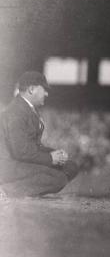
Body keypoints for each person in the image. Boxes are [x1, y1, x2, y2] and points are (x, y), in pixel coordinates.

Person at [0, 71, 79, 199]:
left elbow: (32, 146)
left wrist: (55, 154)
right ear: (31, 89)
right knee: (58, 178)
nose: (47, 94)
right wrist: (50, 158)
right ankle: (6, 191)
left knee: (70, 166)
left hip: (20, 163)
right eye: (44, 89)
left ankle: (25, 191)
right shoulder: (16, 112)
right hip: (8, 166)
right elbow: (21, 152)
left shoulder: (26, 109)